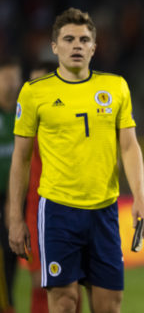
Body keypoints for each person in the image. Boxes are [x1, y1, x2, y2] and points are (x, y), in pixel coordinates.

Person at [8, 8, 144, 313]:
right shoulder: (35, 93)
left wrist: (140, 197)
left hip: (105, 211)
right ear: (55, 47)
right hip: (58, 212)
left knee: (109, 305)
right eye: (69, 39)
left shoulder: (115, 87)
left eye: (84, 39)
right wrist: (15, 217)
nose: (76, 45)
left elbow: (129, 146)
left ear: (94, 48)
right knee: (63, 302)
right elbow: (20, 158)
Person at [24, 61, 83, 313]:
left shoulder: (73, 119)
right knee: (41, 280)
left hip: (73, 207)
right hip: (37, 209)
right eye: (32, 84)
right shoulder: (25, 123)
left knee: (73, 283)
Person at [0, 58, 22, 313]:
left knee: (11, 255)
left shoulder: (22, 113)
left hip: (17, 198)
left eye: (15, 78)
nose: (11, 83)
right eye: (6, 77)